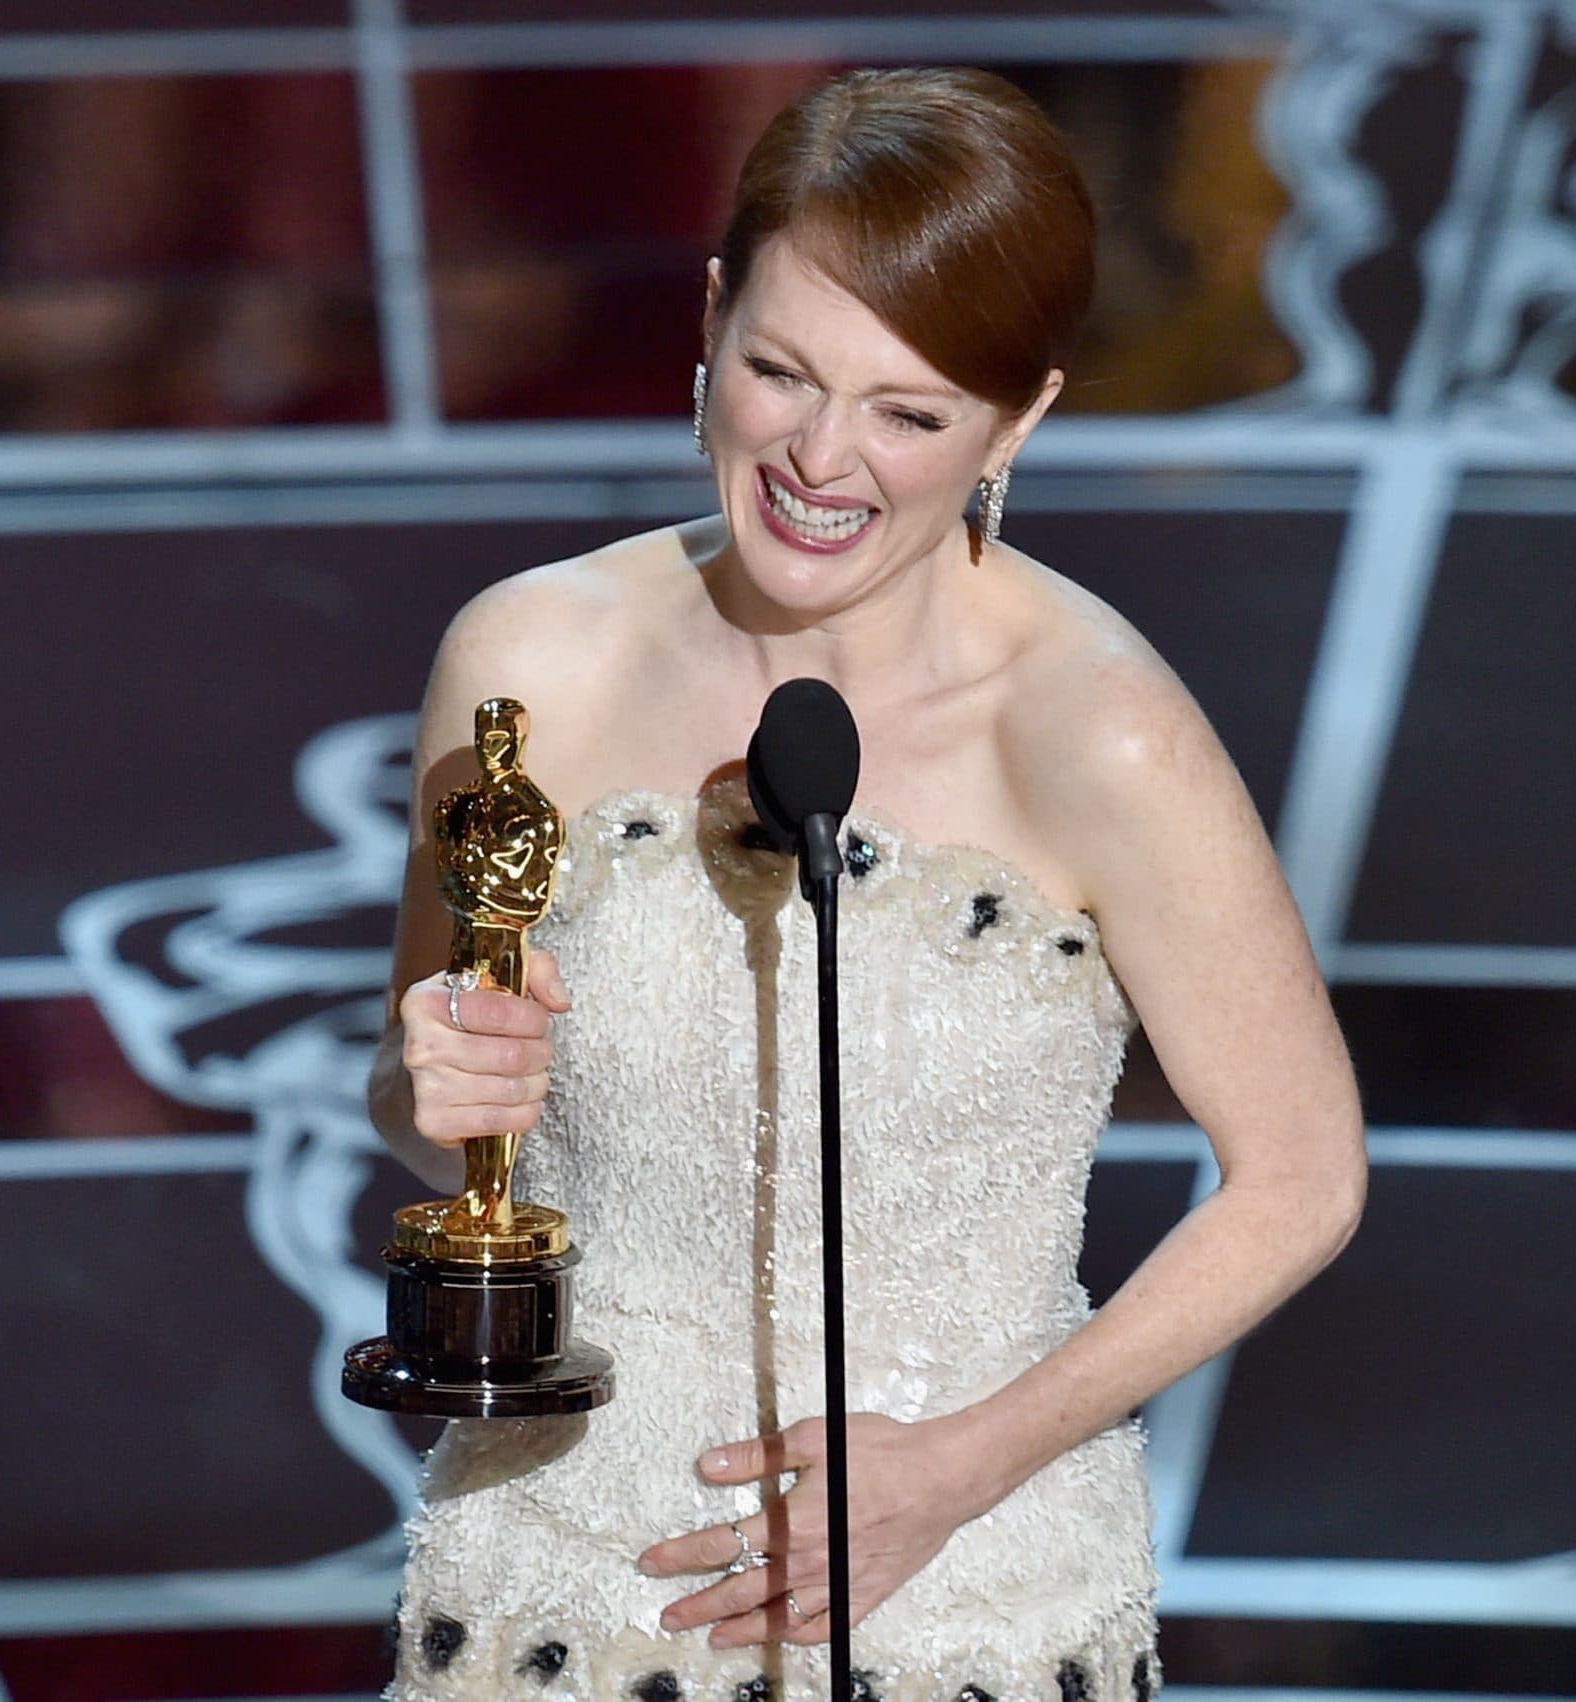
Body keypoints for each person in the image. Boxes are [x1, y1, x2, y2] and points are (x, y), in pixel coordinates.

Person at [367, 66, 1368, 1702]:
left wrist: (967, 1461)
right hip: (553, 1570)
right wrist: (435, 1080)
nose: (823, 459)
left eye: (909, 414)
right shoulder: (524, 662)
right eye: (782, 372)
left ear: (1018, 421)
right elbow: (430, 1109)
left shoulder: (1099, 731)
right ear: (710, 319)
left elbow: (1303, 1175)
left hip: (957, 1602)